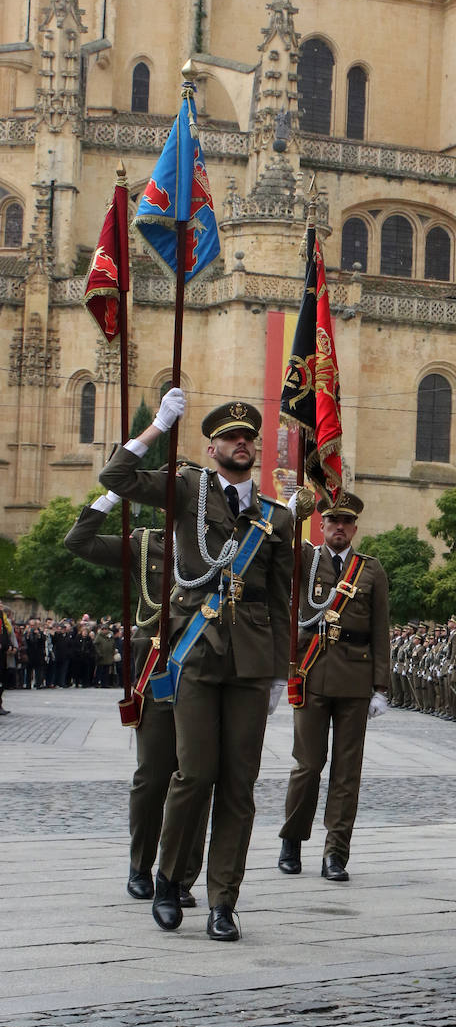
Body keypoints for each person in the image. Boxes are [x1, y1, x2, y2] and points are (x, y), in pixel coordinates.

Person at [100, 389, 292, 942]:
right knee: (194, 773)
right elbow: (116, 477)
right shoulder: (187, 490)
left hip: (252, 659)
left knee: (240, 785)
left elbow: (281, 600)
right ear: (211, 448)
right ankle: (166, 879)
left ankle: (223, 901)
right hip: (196, 650)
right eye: (231, 437)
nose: (241, 444)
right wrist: (156, 428)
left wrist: (280, 670)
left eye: (248, 437)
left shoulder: (273, 518)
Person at [65, 490, 208, 905]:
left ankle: (179, 875)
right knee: (152, 776)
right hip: (159, 670)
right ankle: (140, 866)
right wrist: (111, 496)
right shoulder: (144, 544)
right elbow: (78, 542)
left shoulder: (219, 546)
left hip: (207, 664)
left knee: (198, 776)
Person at [278, 488, 390, 881]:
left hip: (356, 679)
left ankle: (335, 852)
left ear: (355, 528)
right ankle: (291, 840)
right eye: (332, 521)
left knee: (347, 771)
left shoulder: (371, 569)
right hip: (311, 675)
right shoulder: (305, 559)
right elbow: (279, 545)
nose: (339, 527)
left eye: (346, 522)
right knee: (307, 766)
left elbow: (380, 630)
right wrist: (292, 514)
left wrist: (381, 686)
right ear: (321, 525)